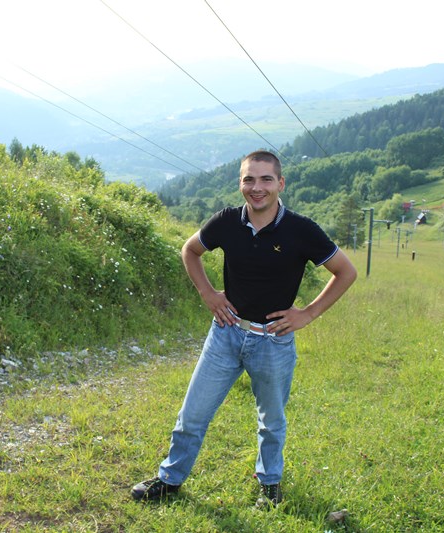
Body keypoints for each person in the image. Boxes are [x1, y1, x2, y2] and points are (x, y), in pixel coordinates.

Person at [131, 150, 357, 508]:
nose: (257, 187)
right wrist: (208, 294)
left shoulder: (302, 230)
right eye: (249, 179)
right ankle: (169, 480)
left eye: (266, 179)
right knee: (193, 414)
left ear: (280, 183)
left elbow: (346, 272)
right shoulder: (226, 221)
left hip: (273, 341)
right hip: (226, 333)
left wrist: (308, 314)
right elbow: (190, 250)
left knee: (271, 422)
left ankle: (270, 485)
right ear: (240, 183)